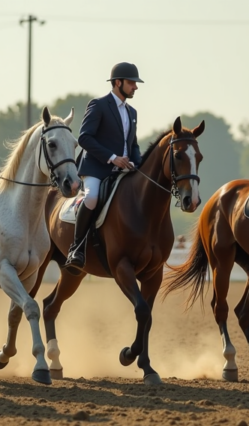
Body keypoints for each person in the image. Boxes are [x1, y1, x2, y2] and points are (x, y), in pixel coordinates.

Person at [63, 62, 143, 272]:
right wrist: (112, 157)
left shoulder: (132, 112)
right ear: (118, 83)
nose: (135, 87)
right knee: (91, 198)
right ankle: (77, 248)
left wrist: (136, 163)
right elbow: (85, 138)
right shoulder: (99, 105)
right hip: (97, 168)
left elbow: (133, 145)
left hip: (124, 169)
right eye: (132, 83)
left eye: (135, 83)